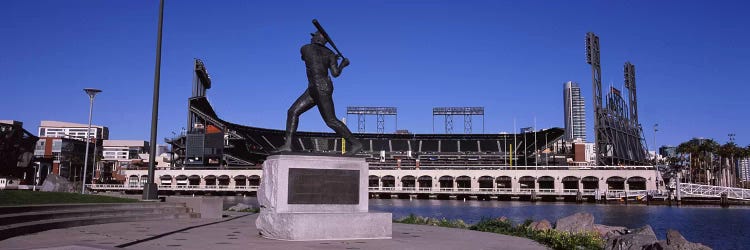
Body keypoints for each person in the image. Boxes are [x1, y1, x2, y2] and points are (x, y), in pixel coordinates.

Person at [273, 31, 363, 156]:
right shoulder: (330, 53)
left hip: (320, 87)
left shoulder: (305, 48)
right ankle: (288, 145)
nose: (312, 38)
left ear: (318, 38)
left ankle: (355, 144)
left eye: (314, 35)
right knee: (293, 111)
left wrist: (329, 58)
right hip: (314, 88)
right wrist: (342, 64)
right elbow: (335, 73)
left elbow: (305, 57)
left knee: (331, 120)